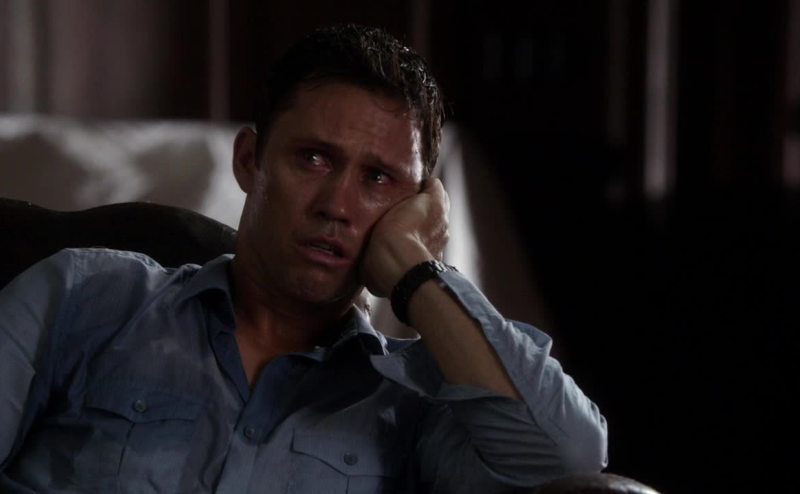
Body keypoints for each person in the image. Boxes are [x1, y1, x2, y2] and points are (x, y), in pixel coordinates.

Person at [0, 24, 607, 493]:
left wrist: (416, 269)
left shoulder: (413, 402)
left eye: (378, 179)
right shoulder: (83, 297)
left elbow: (568, 459)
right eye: (313, 159)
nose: (336, 205)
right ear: (249, 161)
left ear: (419, 208)